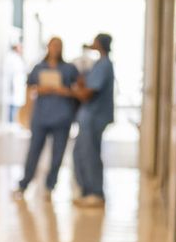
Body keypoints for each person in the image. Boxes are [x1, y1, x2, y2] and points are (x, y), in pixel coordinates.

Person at [15, 36, 80, 198]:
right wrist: (37, 92)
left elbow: (79, 89)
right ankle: (24, 184)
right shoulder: (38, 68)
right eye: (53, 45)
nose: (56, 48)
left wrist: (66, 91)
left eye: (59, 45)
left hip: (62, 116)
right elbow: (30, 88)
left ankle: (50, 187)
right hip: (41, 116)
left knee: (57, 154)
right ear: (48, 47)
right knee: (33, 151)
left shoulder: (69, 69)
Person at [69, 33, 116, 208]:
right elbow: (87, 84)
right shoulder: (99, 64)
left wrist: (69, 91)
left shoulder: (104, 65)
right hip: (89, 117)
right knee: (81, 153)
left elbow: (88, 93)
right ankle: (86, 189)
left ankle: (95, 192)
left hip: (94, 116)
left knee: (90, 155)